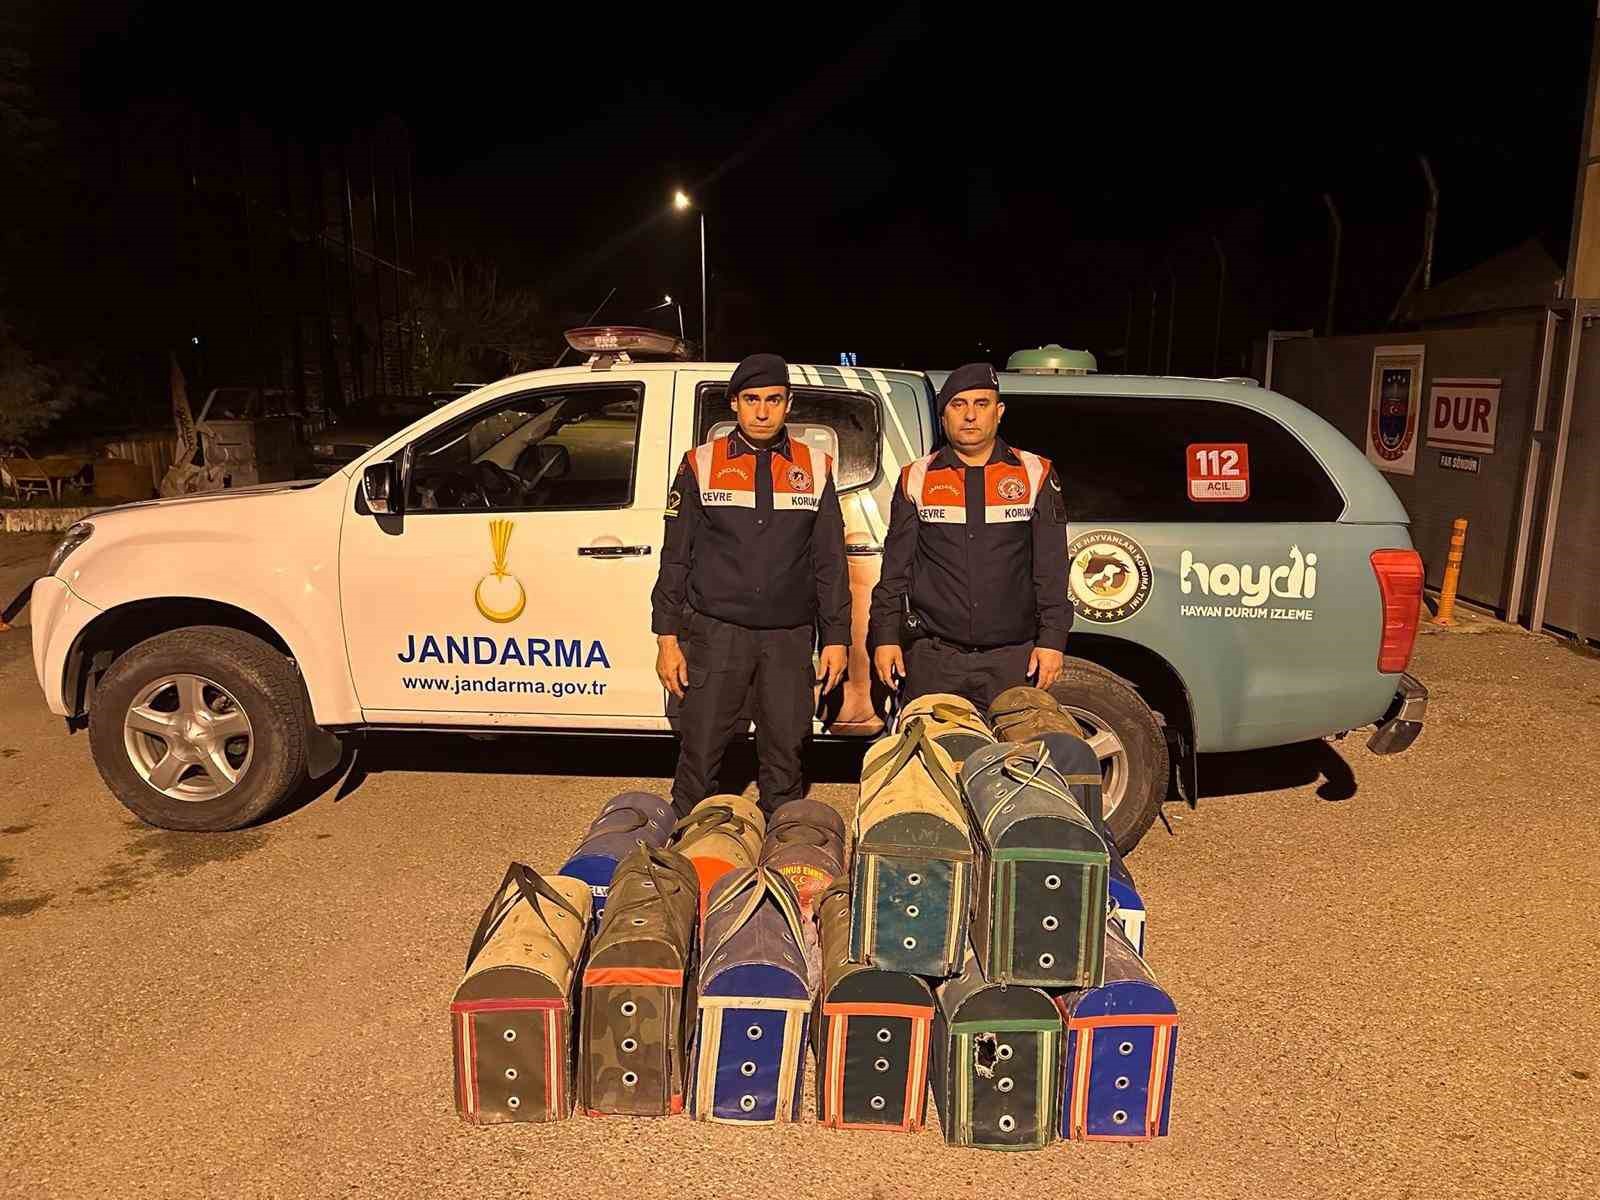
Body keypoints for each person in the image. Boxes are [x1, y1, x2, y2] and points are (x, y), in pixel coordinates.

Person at [651, 353, 850, 817]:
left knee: (786, 750)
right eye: (752, 400)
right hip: (717, 633)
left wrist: (836, 637)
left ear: (788, 404)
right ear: (734, 404)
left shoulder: (816, 466)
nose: (762, 411)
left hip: (788, 636)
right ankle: (686, 841)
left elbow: (830, 562)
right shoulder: (700, 463)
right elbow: (675, 557)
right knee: (700, 748)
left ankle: (782, 842)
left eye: (773, 400)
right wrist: (666, 638)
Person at [868, 361, 1070, 712]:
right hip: (935, 659)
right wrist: (885, 637)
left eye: (982, 404)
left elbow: (1051, 568)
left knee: (1014, 748)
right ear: (943, 415)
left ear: (999, 411)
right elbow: (895, 571)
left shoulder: (1035, 472)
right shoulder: (916, 476)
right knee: (931, 748)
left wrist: (1052, 640)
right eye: (958, 405)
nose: (970, 415)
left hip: (1013, 659)